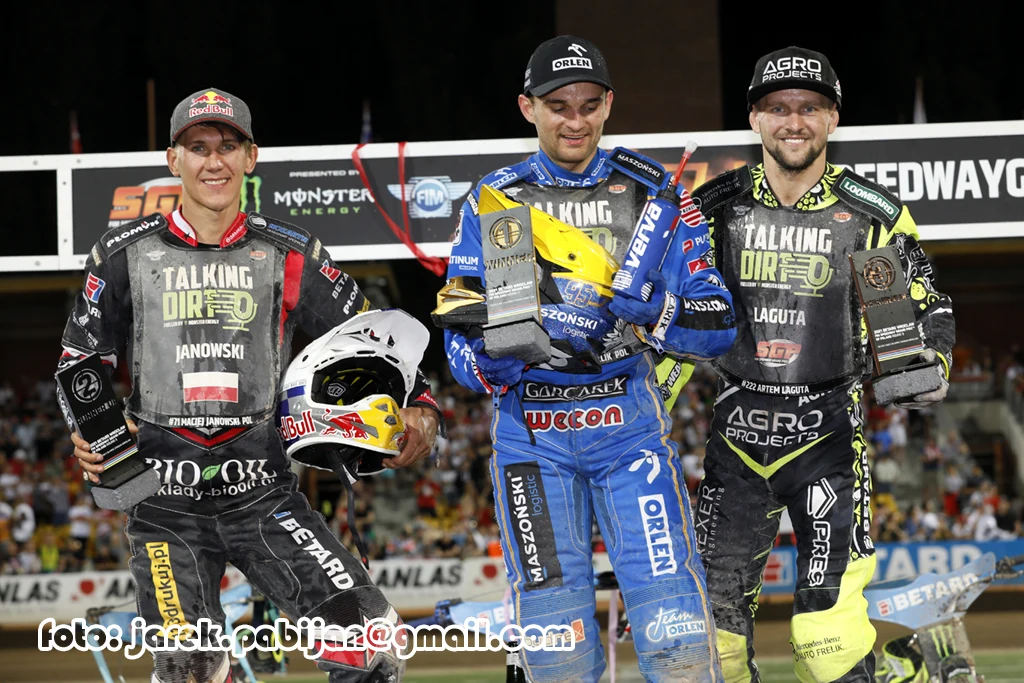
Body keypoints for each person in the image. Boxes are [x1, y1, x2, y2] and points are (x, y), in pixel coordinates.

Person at [58, 88, 444, 683]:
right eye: (198, 147)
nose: (214, 161)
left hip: (265, 495)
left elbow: (373, 342)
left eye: (228, 146)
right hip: (162, 504)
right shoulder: (121, 254)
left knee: (371, 646)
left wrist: (420, 408)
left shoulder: (294, 254)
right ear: (173, 160)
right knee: (193, 670)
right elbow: (79, 361)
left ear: (251, 157)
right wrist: (91, 433)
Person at [438, 36, 736, 683]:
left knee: (675, 631)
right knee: (556, 647)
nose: (574, 120)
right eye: (558, 105)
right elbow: (456, 338)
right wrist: (491, 361)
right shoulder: (493, 199)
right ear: (528, 107)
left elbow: (719, 323)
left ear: (608, 106)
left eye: (588, 104)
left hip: (628, 428)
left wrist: (656, 308)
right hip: (532, 439)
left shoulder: (653, 189)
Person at [678, 47, 956, 682]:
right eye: (778, 108)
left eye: (810, 107)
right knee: (710, 640)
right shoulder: (711, 206)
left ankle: (902, 668)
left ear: (833, 118)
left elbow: (930, 303)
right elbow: (676, 320)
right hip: (734, 442)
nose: (793, 122)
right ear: (754, 118)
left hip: (830, 436)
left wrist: (930, 361)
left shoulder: (874, 214)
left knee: (827, 641)